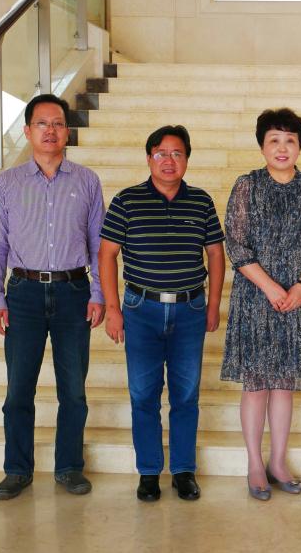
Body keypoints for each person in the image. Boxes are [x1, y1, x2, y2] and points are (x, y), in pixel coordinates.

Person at [0, 93, 105, 500]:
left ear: (66, 131)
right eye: (41, 123)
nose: (50, 130)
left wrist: (98, 292)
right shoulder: (8, 183)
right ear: (27, 131)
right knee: (19, 390)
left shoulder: (87, 181)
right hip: (23, 294)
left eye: (57, 123)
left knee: (73, 390)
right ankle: (17, 469)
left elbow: (98, 243)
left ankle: (69, 467)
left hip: (74, 292)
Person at [98, 125, 225, 502]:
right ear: (149, 158)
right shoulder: (126, 201)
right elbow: (107, 254)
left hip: (190, 309)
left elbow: (215, 254)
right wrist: (112, 308)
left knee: (186, 394)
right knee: (143, 394)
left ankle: (184, 471)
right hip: (141, 310)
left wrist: (214, 304)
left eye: (177, 153)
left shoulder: (201, 201)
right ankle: (149, 472)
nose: (169, 161)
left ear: (187, 159)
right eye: (161, 153)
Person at [221, 108, 301, 501]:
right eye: (274, 140)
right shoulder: (246, 186)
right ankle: (255, 463)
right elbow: (236, 244)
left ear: (299, 146)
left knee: (284, 384)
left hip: (298, 300)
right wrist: (271, 288)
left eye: (290, 140)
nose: (282, 148)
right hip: (255, 298)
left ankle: (279, 461)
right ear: (262, 146)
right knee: (256, 385)